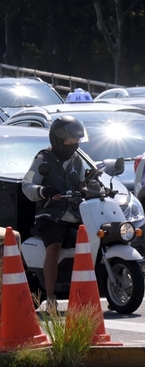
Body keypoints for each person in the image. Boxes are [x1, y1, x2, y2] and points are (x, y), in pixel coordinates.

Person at [22, 116, 86, 309]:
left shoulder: (78, 160)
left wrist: (91, 189)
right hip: (49, 214)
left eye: (77, 139)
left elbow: (84, 183)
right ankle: (50, 298)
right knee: (55, 247)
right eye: (71, 139)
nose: (75, 143)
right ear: (58, 139)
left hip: (75, 212)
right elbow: (27, 185)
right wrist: (43, 191)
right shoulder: (43, 158)